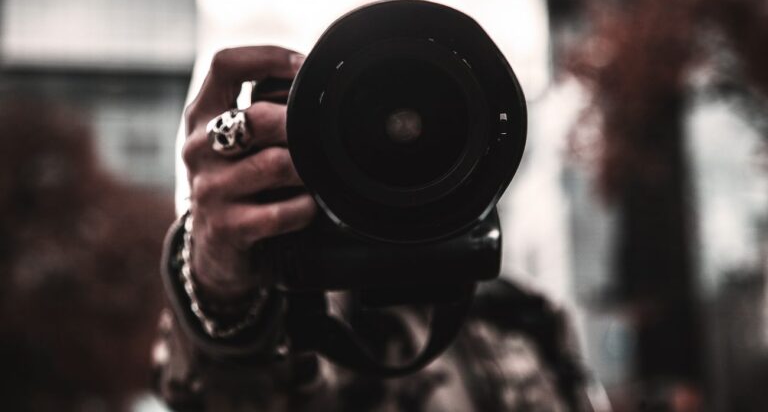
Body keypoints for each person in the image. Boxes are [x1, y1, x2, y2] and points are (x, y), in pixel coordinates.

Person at [153, 45, 602, 411]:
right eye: (366, 112)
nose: (400, 131)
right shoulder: (304, 323)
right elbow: (230, 394)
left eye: (428, 103)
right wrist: (220, 278)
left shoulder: (529, 318)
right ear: (308, 140)